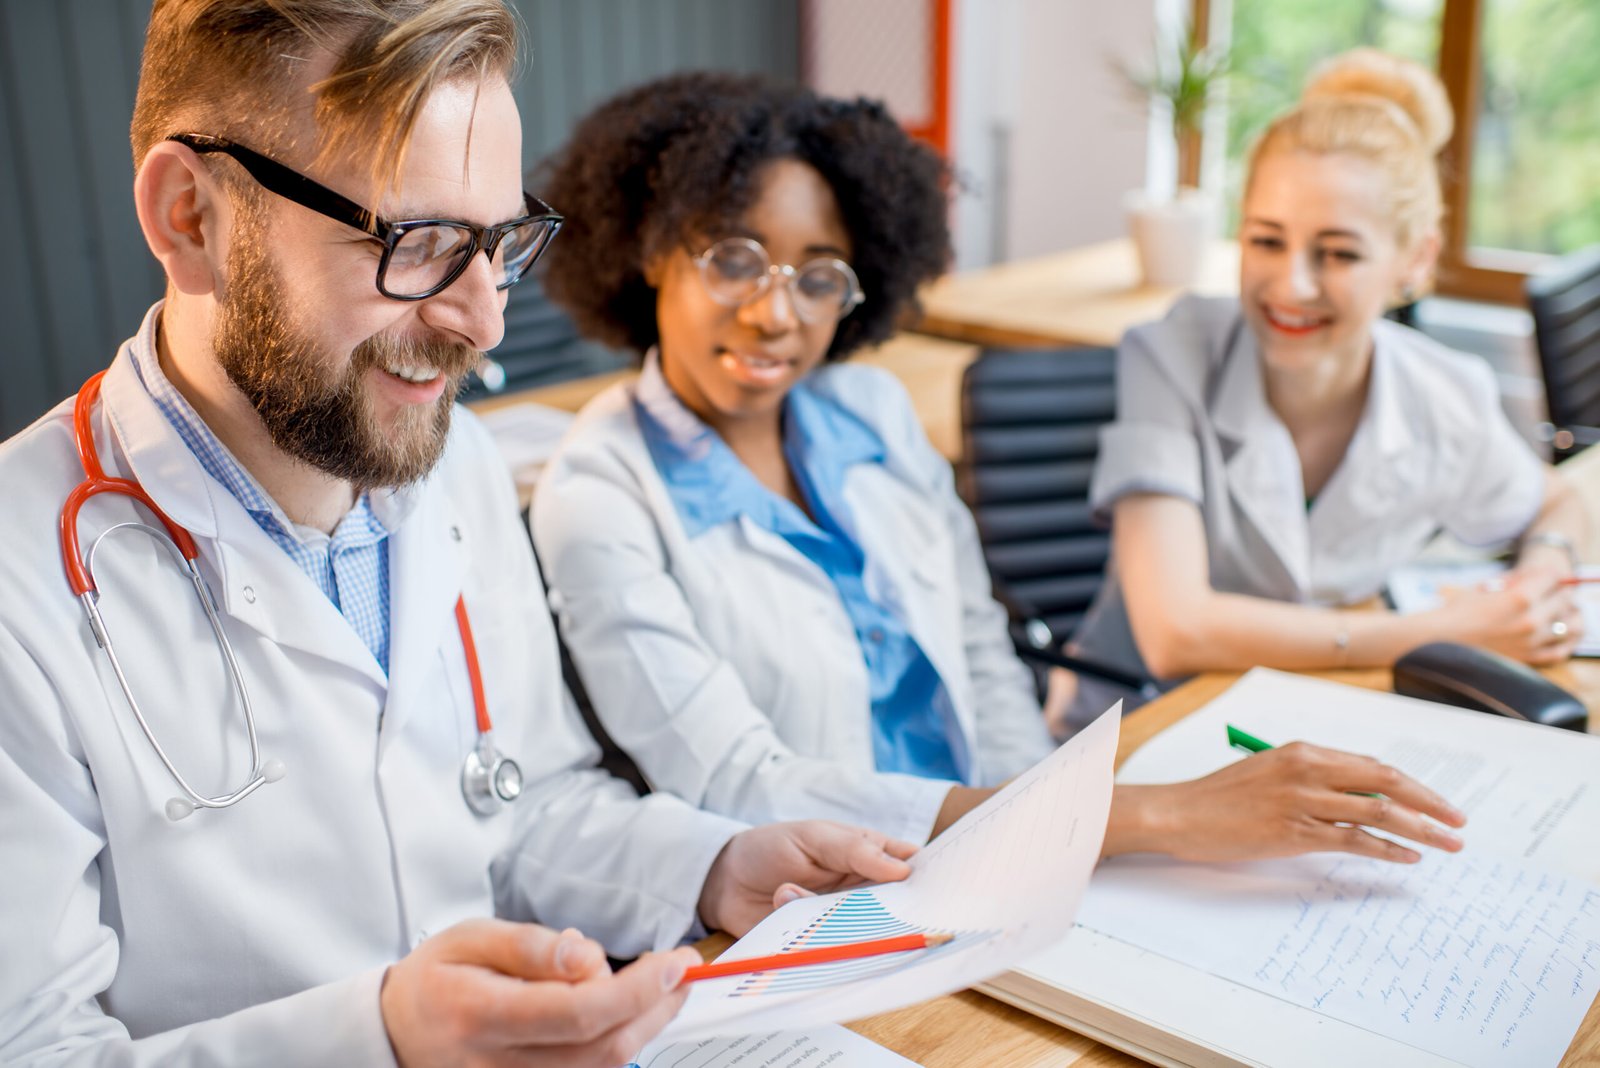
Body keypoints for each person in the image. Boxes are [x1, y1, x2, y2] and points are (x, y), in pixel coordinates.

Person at [0, 5, 920, 1064]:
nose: (484, 320)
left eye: (497, 243)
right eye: (419, 243)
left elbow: (529, 806)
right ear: (190, 217)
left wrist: (712, 867)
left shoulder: (456, 467)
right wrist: (382, 1038)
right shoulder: (22, 580)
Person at [530, 73, 1466, 862]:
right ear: (651, 251)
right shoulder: (601, 493)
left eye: (819, 276)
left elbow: (981, 645)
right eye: (736, 261)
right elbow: (741, 785)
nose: (778, 316)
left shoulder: (872, 414)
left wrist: (1038, 816)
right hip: (821, 899)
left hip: (1003, 856)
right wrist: (1128, 819)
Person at [1063, 49, 1586, 724]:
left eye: (1338, 253)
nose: (1292, 286)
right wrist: (1446, 632)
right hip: (1145, 721)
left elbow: (1558, 502)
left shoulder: (1443, 388)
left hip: (1321, 711)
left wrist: (1535, 580)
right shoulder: (1171, 352)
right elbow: (1176, 632)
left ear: (1415, 259)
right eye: (1266, 242)